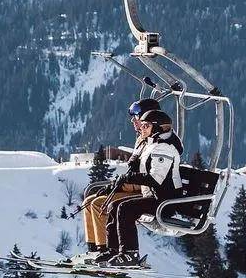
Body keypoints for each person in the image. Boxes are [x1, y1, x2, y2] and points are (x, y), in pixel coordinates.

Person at [78, 101, 183, 266]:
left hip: (153, 194)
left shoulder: (161, 145)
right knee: (92, 201)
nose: (136, 124)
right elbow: (136, 170)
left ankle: (112, 250)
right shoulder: (146, 141)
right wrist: (116, 184)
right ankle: (101, 250)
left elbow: (153, 177)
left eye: (141, 121)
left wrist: (124, 181)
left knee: (103, 204)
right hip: (145, 190)